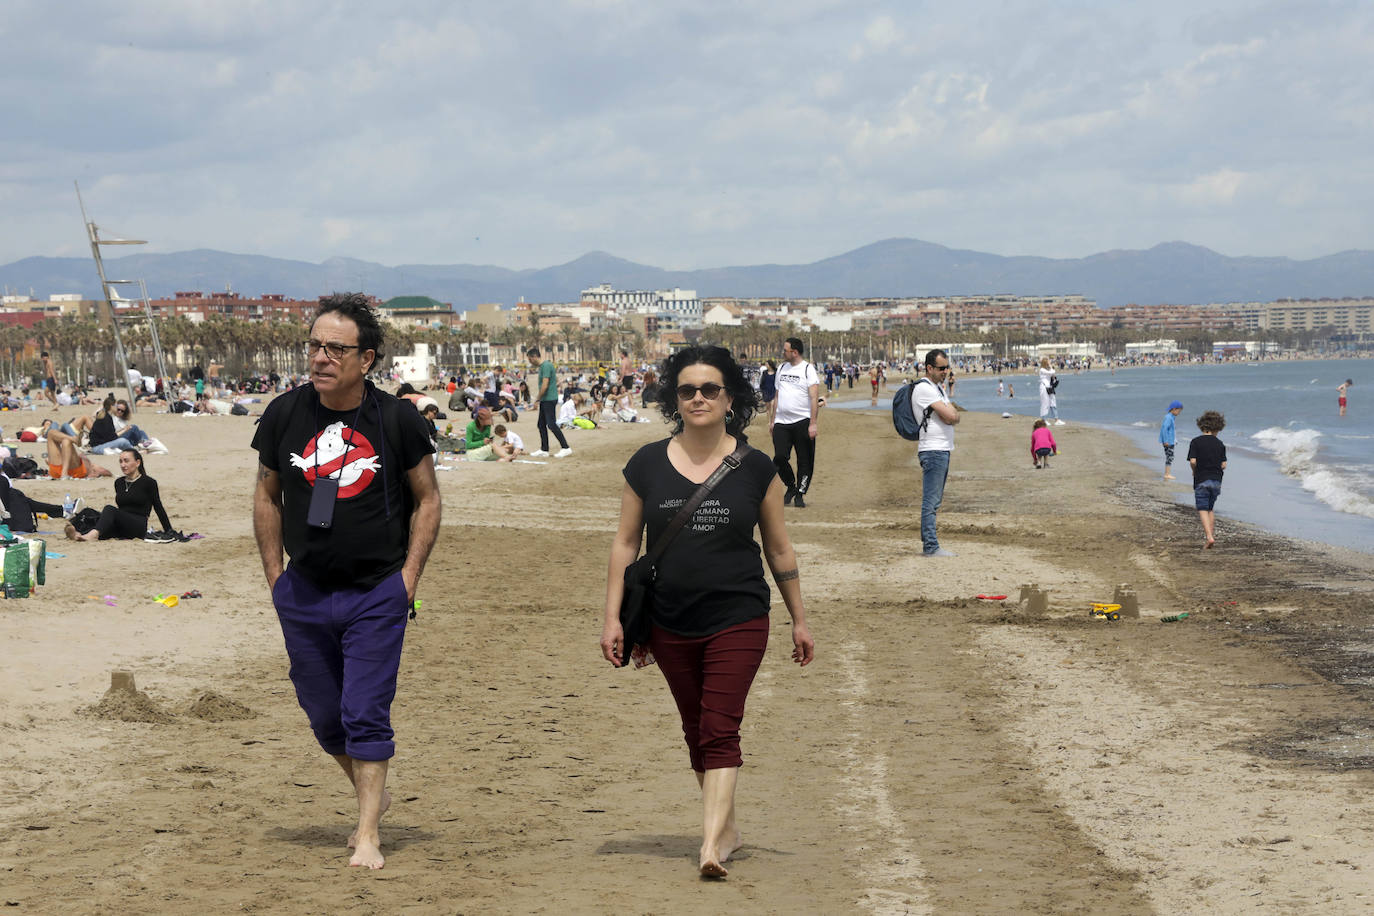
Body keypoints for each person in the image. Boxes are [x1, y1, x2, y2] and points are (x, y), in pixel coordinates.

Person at [600, 344, 814, 880]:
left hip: (739, 614)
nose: (698, 398)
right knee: (696, 728)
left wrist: (799, 618)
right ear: (675, 398)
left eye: (710, 389)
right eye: (687, 390)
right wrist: (611, 618)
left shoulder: (757, 467)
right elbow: (625, 545)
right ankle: (729, 828)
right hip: (668, 618)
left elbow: (779, 548)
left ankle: (710, 846)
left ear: (730, 397)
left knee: (720, 726)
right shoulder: (645, 464)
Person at [251, 293, 441, 870]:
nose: (321, 357)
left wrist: (408, 578)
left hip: (376, 591)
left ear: (367, 359)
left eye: (336, 348)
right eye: (314, 346)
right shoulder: (284, 414)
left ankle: (366, 835)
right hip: (303, 590)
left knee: (364, 710)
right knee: (325, 716)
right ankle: (371, 794)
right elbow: (266, 495)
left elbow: (428, 500)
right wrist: (275, 579)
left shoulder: (398, 419)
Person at [64, 448, 172, 541]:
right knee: (89, 513)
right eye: (120, 461)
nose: (123, 465)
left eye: (126, 461)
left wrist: (169, 530)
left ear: (137, 463)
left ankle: (92, 535)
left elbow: (158, 507)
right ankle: (78, 534)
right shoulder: (119, 482)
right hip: (122, 523)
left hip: (138, 524)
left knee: (109, 509)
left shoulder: (148, 482)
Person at [912, 349, 959, 557]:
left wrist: (951, 416)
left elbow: (952, 416)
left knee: (934, 500)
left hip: (941, 448)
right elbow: (951, 415)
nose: (945, 372)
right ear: (929, 368)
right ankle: (930, 546)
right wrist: (951, 416)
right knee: (931, 501)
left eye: (947, 367)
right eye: (941, 368)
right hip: (933, 450)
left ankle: (929, 543)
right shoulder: (925, 389)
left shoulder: (937, 388)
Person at [768, 337, 819, 508]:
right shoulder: (782, 368)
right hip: (782, 422)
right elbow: (777, 396)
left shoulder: (807, 370)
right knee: (779, 458)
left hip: (802, 421)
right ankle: (790, 486)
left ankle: (800, 493)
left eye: (785, 350)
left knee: (805, 461)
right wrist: (772, 421)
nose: (783, 353)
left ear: (794, 352)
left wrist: (813, 423)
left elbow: (813, 398)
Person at [1187, 410, 1227, 550]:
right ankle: (1210, 535)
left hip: (1201, 479)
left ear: (1202, 425)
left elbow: (1193, 461)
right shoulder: (1220, 444)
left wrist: (1194, 471)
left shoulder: (1196, 442)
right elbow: (1224, 465)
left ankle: (1209, 537)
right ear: (1218, 427)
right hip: (1216, 480)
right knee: (1210, 508)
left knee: (1202, 508)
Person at [525, 347, 572, 458]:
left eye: (530, 359)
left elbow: (545, 385)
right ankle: (544, 449)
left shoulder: (546, 366)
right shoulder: (544, 366)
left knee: (551, 424)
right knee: (541, 424)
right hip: (547, 398)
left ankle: (565, 447)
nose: (530, 362)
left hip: (549, 399)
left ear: (534, 356)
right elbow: (552, 382)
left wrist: (537, 399)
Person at [1160, 400, 1183, 480]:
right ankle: (1167, 474)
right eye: (1179, 411)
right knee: (1169, 457)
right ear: (1174, 409)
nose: (1179, 413)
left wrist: (1175, 440)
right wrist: (1165, 440)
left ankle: (1167, 473)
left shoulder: (1171, 417)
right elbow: (1164, 429)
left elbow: (1171, 431)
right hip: (1168, 442)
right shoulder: (1168, 418)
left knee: (1170, 457)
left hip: (1170, 441)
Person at [1037, 357, 1062, 425]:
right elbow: (1052, 372)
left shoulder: (1047, 369)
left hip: (1049, 387)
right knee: (1045, 403)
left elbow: (1053, 374)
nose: (1049, 362)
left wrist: (1050, 368)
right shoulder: (1042, 370)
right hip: (1044, 387)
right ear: (1046, 362)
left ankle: (1056, 419)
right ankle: (1043, 420)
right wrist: (1051, 367)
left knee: (1053, 402)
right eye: (1048, 361)